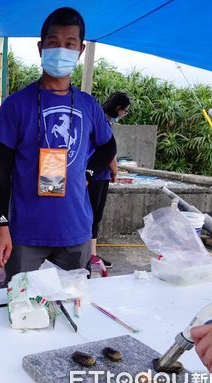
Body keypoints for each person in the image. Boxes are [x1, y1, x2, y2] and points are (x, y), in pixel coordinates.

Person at [0, 7, 115, 281]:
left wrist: (89, 173)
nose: (61, 49)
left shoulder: (88, 105)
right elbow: (0, 174)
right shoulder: (15, 105)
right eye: (54, 42)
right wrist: (0, 226)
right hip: (24, 234)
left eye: (69, 44)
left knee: (73, 310)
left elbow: (108, 146)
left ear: (80, 50)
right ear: (40, 47)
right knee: (22, 312)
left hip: (76, 231)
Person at [88, 92, 130, 270]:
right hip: (96, 176)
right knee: (93, 216)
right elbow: (108, 151)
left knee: (93, 216)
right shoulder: (102, 123)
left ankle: (91, 253)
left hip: (97, 175)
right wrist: (115, 170)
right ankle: (90, 255)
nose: (125, 114)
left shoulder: (100, 119)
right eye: (125, 111)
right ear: (118, 108)